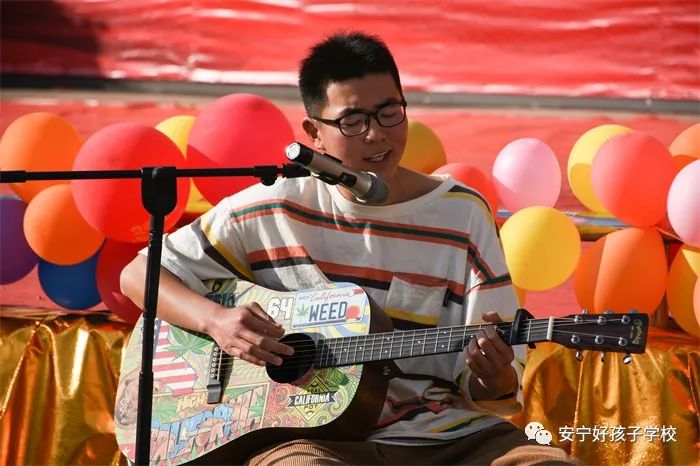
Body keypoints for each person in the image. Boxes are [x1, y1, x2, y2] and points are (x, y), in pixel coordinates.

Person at [121, 31, 579, 465]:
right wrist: (216, 321)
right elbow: (139, 274)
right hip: (310, 440)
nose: (376, 134)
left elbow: (494, 388)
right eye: (352, 121)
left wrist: (493, 374)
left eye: (389, 112)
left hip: (448, 438)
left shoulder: (461, 214)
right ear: (313, 133)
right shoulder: (272, 206)